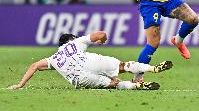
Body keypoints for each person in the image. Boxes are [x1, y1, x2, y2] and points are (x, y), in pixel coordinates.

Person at [8, 31, 173, 90]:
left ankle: (136, 86)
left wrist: (20, 84)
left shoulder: (54, 58)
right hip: (88, 61)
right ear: (70, 39)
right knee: (124, 66)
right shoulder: (75, 42)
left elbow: (35, 66)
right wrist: (103, 40)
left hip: (79, 79)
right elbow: (101, 34)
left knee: (113, 83)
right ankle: (152, 69)